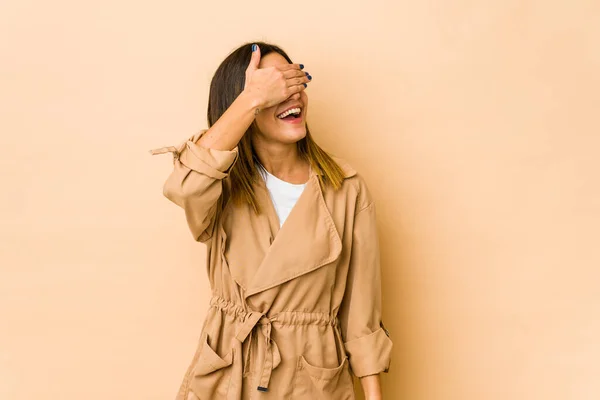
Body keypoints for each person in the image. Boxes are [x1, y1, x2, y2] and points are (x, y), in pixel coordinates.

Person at [149, 41, 393, 400]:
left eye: (293, 83)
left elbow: (362, 317)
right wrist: (251, 98)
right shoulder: (222, 184)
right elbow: (183, 186)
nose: (290, 96)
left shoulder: (346, 188)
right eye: (273, 89)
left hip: (309, 381)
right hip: (228, 375)